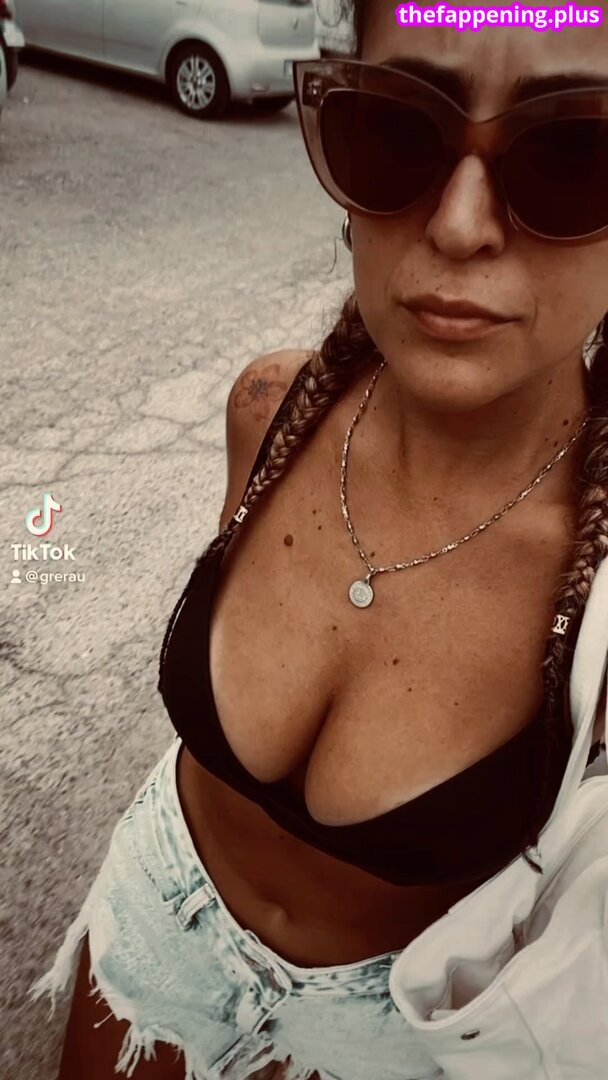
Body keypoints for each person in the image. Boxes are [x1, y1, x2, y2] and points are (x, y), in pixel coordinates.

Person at [31, 1, 608, 1077]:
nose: (460, 225)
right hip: (150, 923)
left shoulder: (602, 601)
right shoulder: (268, 411)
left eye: (575, 152)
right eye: (396, 129)